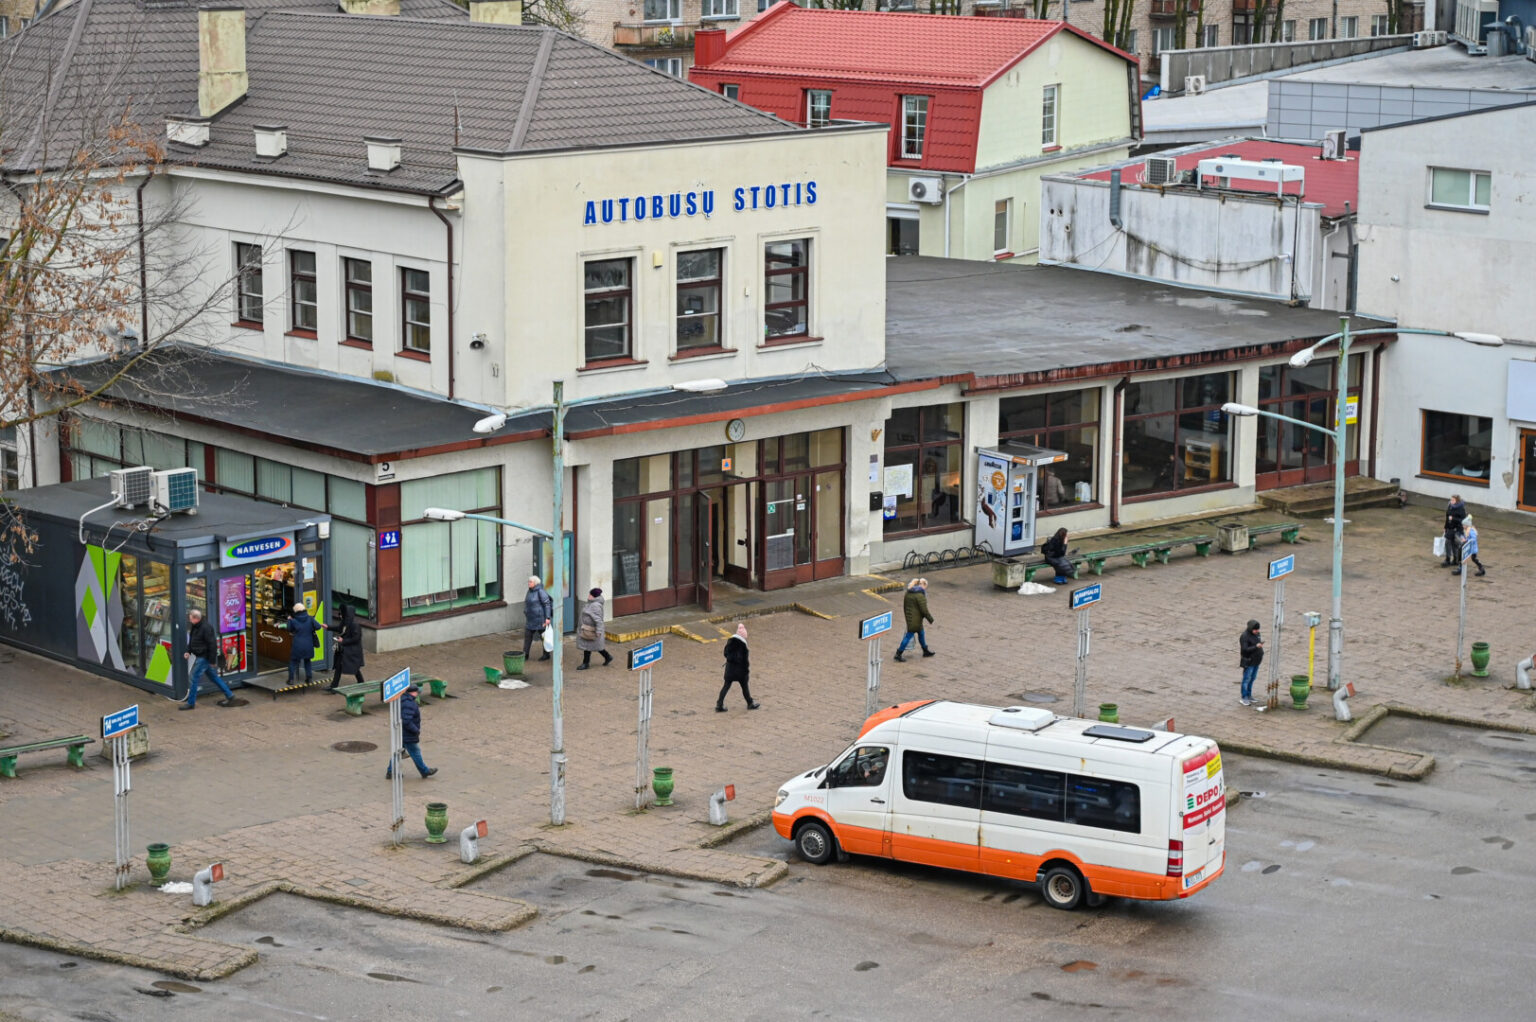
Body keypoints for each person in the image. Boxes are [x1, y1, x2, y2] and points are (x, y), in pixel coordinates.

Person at [180, 608, 236, 710]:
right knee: (214, 677)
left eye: (190, 618)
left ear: (195, 618)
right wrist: (188, 651)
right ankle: (230, 695)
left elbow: (212, 645)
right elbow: (193, 640)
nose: (189, 620)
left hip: (203, 657)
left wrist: (212, 661)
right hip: (202, 656)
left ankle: (191, 703)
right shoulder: (195, 626)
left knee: (193, 678)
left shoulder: (206, 628)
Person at [385, 683, 437, 779]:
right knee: (415, 752)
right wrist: (415, 730)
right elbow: (406, 720)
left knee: (397, 752)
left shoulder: (403, 699)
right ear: (413, 693)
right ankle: (424, 771)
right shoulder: (409, 704)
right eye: (416, 692)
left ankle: (391, 771)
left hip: (401, 732)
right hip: (408, 734)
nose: (417, 693)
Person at [717, 622, 761, 711]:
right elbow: (744, 660)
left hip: (729, 670)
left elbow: (726, 654)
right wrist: (746, 671)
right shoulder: (742, 646)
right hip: (740, 671)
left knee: (726, 686)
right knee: (745, 687)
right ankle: (750, 703)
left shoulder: (730, 642)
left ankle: (719, 705)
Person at [894, 577, 934, 663]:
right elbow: (924, 610)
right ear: (922, 585)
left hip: (911, 618)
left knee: (921, 633)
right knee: (909, 636)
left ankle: (925, 650)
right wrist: (930, 619)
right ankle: (898, 653)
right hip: (916, 620)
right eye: (925, 586)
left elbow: (905, 606)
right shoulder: (920, 595)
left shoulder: (908, 593)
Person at [284, 601, 324, 685]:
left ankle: (291, 680)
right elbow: (318, 626)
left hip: (297, 645)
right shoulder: (310, 618)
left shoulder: (293, 621)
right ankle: (309, 678)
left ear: (296, 611)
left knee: (293, 662)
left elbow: (289, 629)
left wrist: (289, 620)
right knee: (307, 661)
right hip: (308, 645)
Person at [328, 605, 365, 689]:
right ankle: (333, 686)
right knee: (339, 666)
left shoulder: (355, 625)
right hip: (345, 650)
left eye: (341, 614)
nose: (340, 616)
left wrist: (343, 641)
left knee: (354, 667)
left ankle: (361, 682)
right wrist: (328, 627)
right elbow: (339, 628)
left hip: (352, 651)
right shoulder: (345, 622)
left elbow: (356, 638)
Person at [576, 587, 613, 670]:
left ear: (594, 596)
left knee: (589, 647)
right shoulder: (591, 603)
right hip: (587, 629)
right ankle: (607, 657)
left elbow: (598, 620)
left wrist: (599, 631)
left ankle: (585, 663)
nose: (588, 595)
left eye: (590, 594)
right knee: (592, 647)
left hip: (591, 630)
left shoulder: (595, 606)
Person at [522, 575, 554, 664]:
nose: (528, 583)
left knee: (544, 637)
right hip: (531, 618)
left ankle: (546, 654)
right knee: (528, 636)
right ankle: (525, 654)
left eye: (530, 582)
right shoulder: (529, 591)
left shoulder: (541, 591)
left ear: (535, 583)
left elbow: (547, 604)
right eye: (529, 582)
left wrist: (547, 618)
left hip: (540, 619)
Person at [1239, 619, 1264, 707]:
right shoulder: (1244, 636)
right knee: (1246, 679)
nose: (1257, 631)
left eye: (1258, 630)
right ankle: (1244, 697)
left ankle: (1249, 695)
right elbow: (1245, 650)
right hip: (1249, 661)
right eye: (1255, 630)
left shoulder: (1257, 634)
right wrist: (1256, 647)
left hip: (1256, 661)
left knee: (1252, 678)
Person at [1444, 494, 1467, 567]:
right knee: (1447, 542)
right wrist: (1445, 526)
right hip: (1450, 528)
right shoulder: (1450, 506)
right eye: (1451, 500)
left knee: (1455, 543)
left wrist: (1453, 519)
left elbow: (1463, 520)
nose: (1451, 501)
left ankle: (1455, 559)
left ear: (1457, 501)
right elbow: (1447, 516)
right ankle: (1448, 559)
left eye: (1453, 500)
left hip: (1457, 529)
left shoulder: (1461, 509)